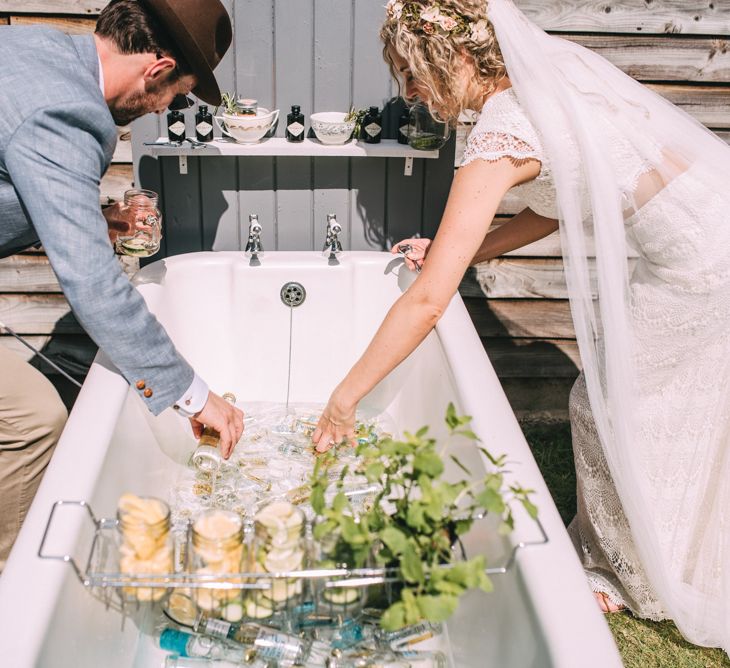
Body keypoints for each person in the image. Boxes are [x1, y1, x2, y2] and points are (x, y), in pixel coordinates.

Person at [312, 0, 730, 652]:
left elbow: (427, 303)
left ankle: (628, 577)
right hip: (712, 222)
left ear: (446, 57)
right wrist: (454, 249)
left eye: (411, 73)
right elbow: (554, 208)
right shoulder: (549, 79)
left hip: (701, 263)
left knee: (613, 408)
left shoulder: (504, 128)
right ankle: (669, 551)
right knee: (667, 404)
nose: (410, 94)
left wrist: (344, 401)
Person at [0, 0, 244, 571]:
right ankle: (14, 596)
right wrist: (191, 391)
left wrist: (93, 218)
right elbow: (92, 282)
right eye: (174, 96)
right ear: (156, 70)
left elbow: (18, 167)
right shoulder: (69, 111)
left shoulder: (39, 50)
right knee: (33, 418)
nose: (163, 109)